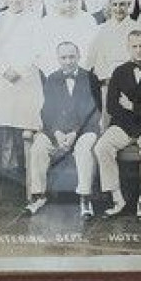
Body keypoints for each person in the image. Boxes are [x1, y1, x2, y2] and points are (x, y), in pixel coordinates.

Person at [24, 41, 102, 217]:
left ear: (79, 56)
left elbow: (93, 111)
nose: (68, 61)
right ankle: (39, 195)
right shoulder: (52, 79)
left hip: (83, 130)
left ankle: (84, 197)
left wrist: (75, 133)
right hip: (56, 131)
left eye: (72, 57)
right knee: (38, 148)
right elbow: (47, 111)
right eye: (64, 57)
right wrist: (57, 132)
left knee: (84, 149)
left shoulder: (90, 78)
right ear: (58, 59)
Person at [95, 30, 141, 218]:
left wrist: (132, 105)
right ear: (128, 48)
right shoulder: (119, 72)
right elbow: (111, 107)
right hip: (123, 126)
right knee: (102, 146)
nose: (139, 50)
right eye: (134, 46)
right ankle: (117, 197)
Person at [0, 0, 45, 185]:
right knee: (5, 124)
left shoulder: (34, 19)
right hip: (4, 79)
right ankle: (5, 168)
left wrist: (20, 70)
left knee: (26, 124)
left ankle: (26, 168)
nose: (15, 0)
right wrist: (4, 70)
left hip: (27, 78)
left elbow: (38, 48)